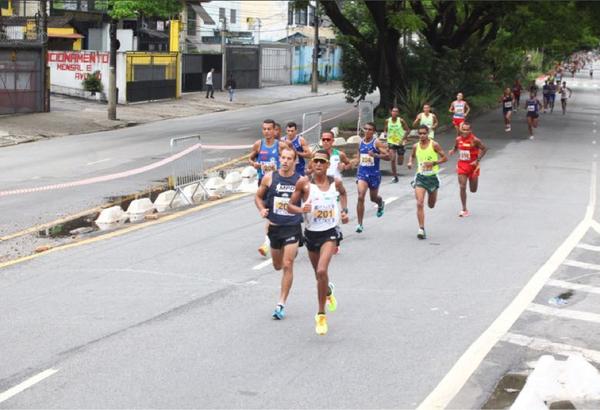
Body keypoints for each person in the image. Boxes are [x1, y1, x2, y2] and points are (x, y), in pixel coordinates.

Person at [287, 150, 349, 335]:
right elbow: (290, 206)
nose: (319, 164)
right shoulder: (304, 184)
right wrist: (300, 209)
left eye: (323, 161)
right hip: (311, 234)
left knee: (322, 270)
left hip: (330, 232)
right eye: (316, 161)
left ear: (328, 165)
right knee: (319, 276)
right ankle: (328, 291)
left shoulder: (335, 183)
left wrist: (344, 211)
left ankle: (321, 315)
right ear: (311, 165)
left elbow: (344, 194)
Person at [254, 148, 303, 320]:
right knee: (277, 265)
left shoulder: (301, 181)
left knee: (288, 264)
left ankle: (280, 304)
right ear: (279, 159)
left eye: (289, 158)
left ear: (295, 161)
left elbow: (312, 201)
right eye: (283, 157)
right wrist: (261, 209)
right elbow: (258, 197)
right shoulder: (270, 178)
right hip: (275, 228)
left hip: (292, 226)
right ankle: (287, 255)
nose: (285, 161)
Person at [249, 119, 284, 257]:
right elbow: (250, 158)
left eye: (269, 129)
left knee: (274, 213)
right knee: (271, 213)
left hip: (277, 183)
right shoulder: (259, 144)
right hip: (263, 183)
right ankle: (271, 240)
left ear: (275, 130)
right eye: (264, 129)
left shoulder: (280, 146)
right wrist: (254, 164)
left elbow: (291, 159)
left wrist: (283, 167)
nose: (267, 132)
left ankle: (267, 243)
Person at [407, 125, 448, 240]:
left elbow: (445, 158)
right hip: (420, 177)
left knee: (431, 205)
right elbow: (412, 156)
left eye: (424, 133)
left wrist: (434, 163)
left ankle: (432, 195)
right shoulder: (415, 146)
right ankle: (421, 228)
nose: (422, 135)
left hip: (432, 177)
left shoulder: (434, 144)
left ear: (428, 133)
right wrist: (410, 162)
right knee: (419, 203)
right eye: (420, 133)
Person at [354, 122, 389, 233]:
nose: (367, 131)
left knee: (373, 198)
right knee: (360, 196)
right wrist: (353, 163)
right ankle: (359, 224)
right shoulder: (360, 143)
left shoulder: (376, 143)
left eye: (370, 129)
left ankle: (380, 203)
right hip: (362, 174)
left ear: (373, 132)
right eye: (366, 129)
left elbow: (388, 156)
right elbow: (359, 158)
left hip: (374, 175)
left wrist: (376, 155)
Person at [448, 122, 487, 217]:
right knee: (462, 186)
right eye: (463, 129)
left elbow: (484, 149)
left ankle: (472, 184)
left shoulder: (475, 140)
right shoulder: (458, 139)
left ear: (470, 130)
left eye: (467, 129)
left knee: (473, 190)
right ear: (461, 129)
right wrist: (453, 150)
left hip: (473, 167)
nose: (465, 131)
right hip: (462, 165)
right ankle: (464, 209)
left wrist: (477, 160)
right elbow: (456, 146)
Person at [384, 107, 410, 183]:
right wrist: (385, 134)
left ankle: (402, 155)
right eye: (393, 111)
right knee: (392, 159)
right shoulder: (387, 121)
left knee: (400, 162)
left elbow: (408, 130)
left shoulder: (401, 121)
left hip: (400, 142)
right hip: (391, 142)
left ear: (398, 113)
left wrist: (403, 139)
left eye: (396, 111)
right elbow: (385, 129)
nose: (394, 113)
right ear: (391, 112)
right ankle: (395, 177)